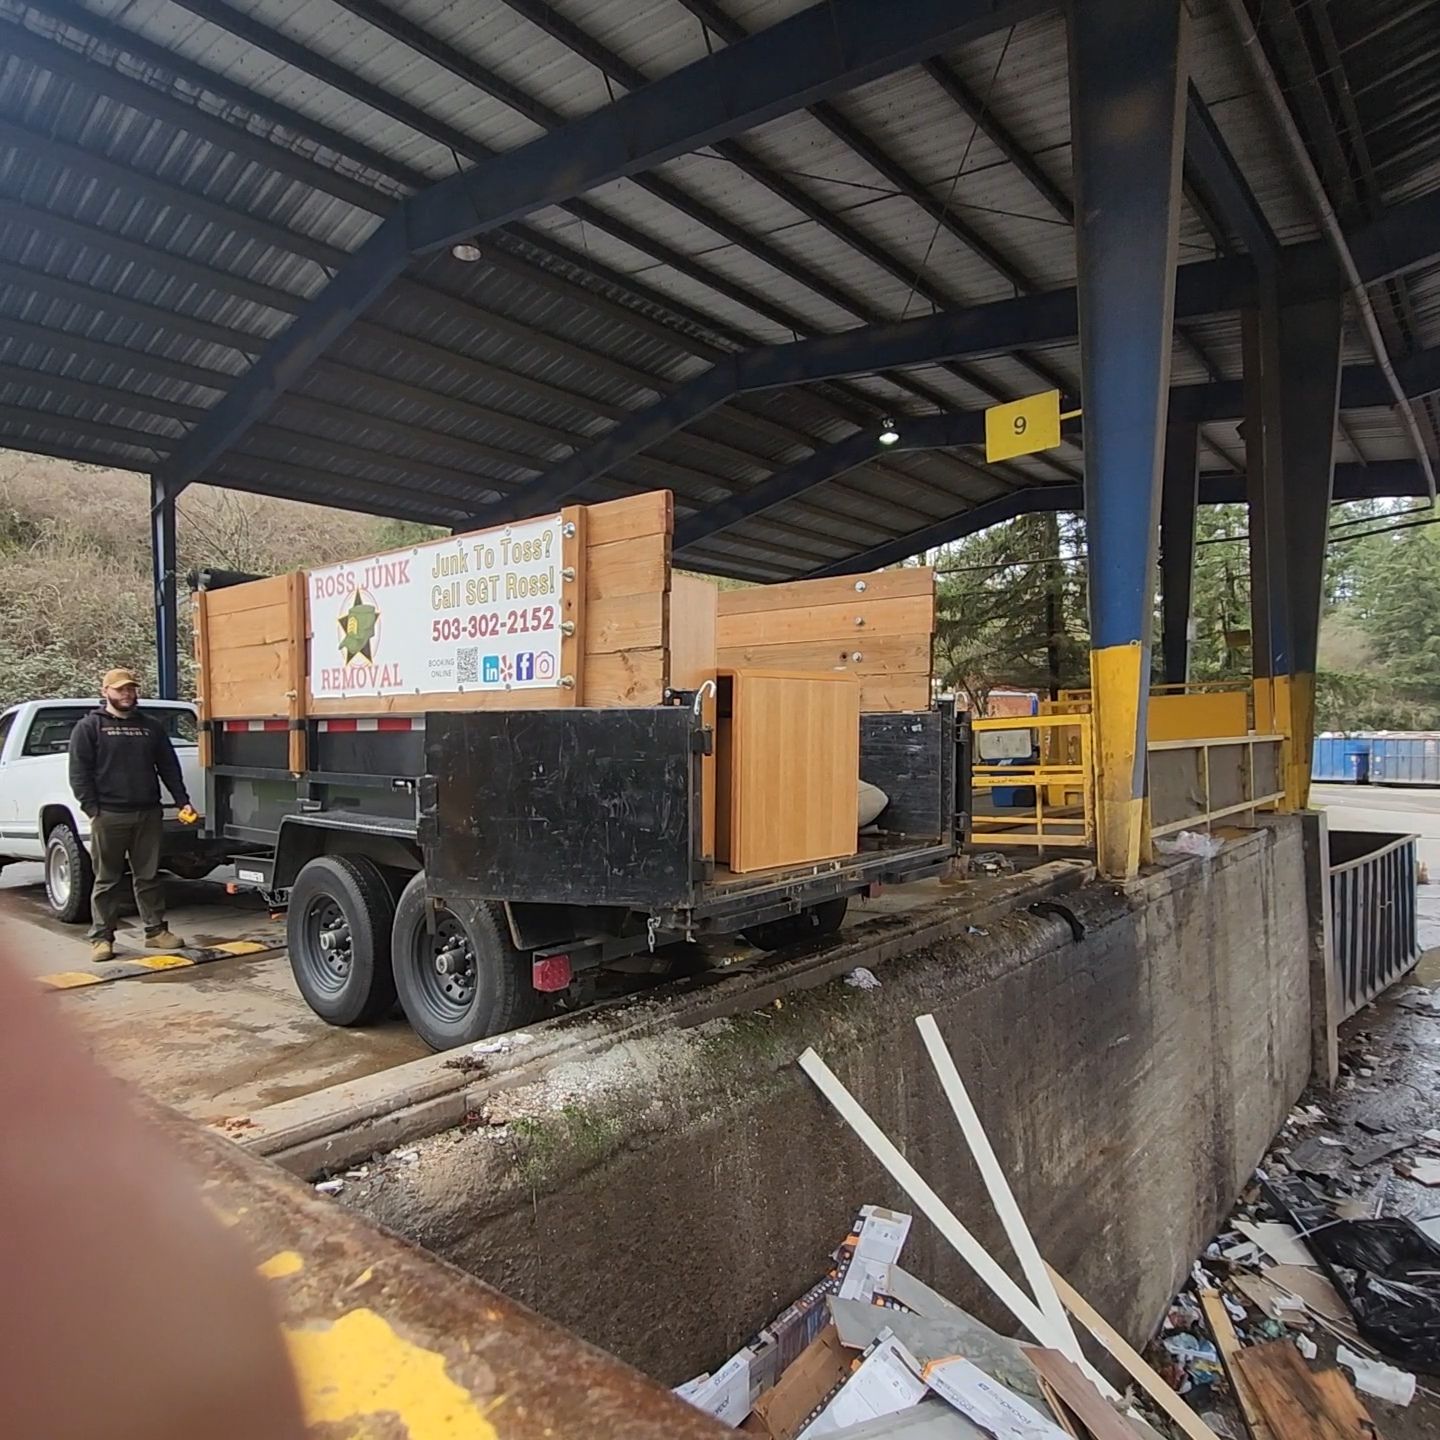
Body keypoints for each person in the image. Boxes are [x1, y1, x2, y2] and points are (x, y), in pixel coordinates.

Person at [68, 668, 197, 962]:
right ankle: (102, 938)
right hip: (109, 815)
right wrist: (93, 809)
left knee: (149, 876)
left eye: (130, 689)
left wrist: (182, 801)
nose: (127, 694)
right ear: (105, 692)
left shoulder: (150, 727)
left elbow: (168, 767)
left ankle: (156, 932)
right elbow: (79, 773)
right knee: (106, 879)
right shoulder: (89, 728)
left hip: (148, 812)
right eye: (120, 690)